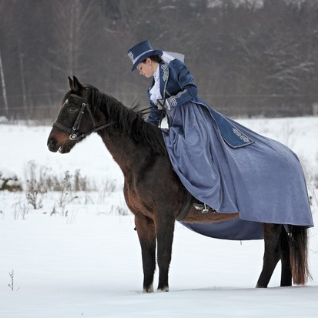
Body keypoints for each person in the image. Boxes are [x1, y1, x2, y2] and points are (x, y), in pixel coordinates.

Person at [127, 40, 313, 240]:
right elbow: (155, 116)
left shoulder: (174, 67)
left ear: (148, 60)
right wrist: (146, 135)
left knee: (193, 149)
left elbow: (191, 90)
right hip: (176, 124)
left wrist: (171, 101)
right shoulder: (152, 88)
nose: (140, 72)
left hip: (193, 119)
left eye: (140, 67)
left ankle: (205, 198)